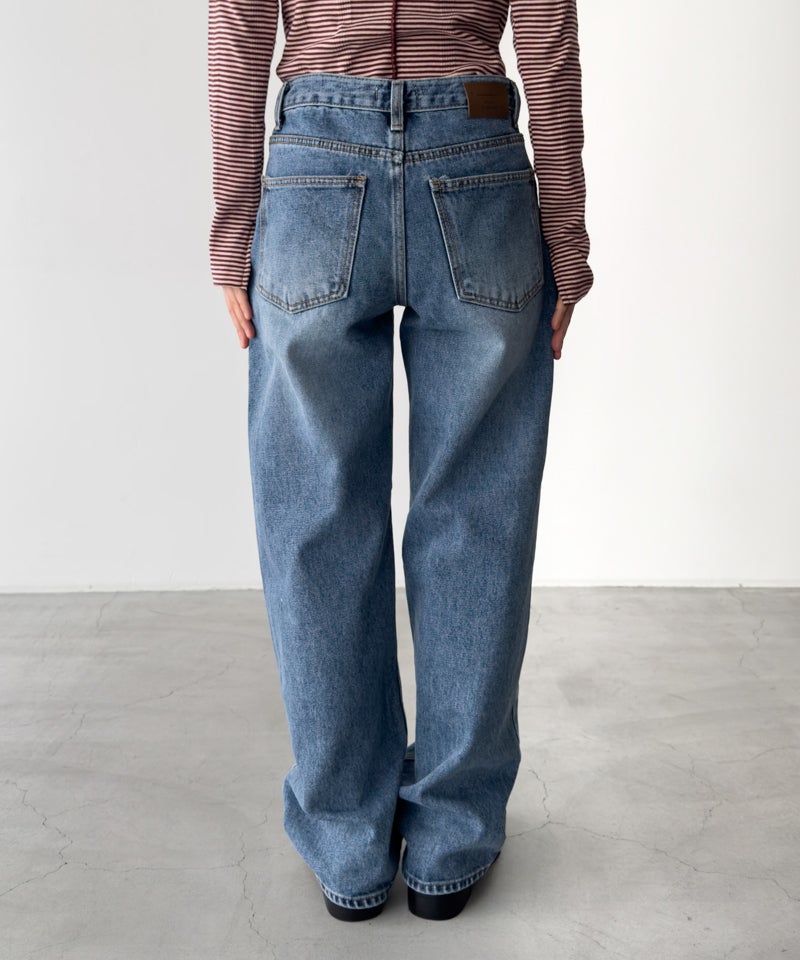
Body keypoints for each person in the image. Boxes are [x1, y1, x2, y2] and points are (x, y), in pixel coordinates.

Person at [208, 0, 593, 923]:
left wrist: (232, 230)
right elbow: (545, 30)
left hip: (316, 165)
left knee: (316, 523)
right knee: (478, 518)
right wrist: (566, 235)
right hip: (477, 153)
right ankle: (450, 843)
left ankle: (348, 845)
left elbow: (240, 24)